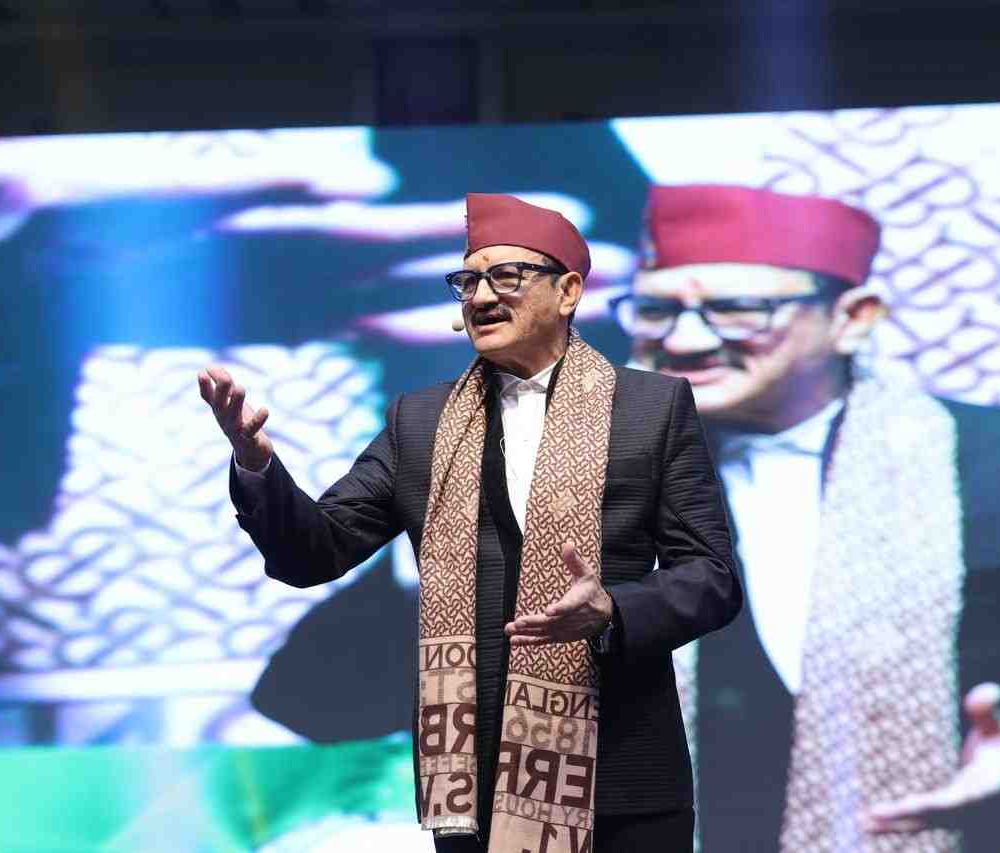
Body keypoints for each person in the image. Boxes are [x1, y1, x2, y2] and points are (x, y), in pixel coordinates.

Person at [612, 183, 1000, 852]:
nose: (686, 338)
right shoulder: (570, 469)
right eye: (656, 310)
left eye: (738, 309)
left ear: (854, 317)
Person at [198, 192, 742, 853]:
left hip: (623, 780)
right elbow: (313, 554)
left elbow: (711, 578)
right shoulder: (420, 423)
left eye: (506, 277)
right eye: (468, 281)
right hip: (472, 790)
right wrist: (257, 467)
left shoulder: (650, 408)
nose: (481, 297)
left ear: (568, 292)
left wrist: (613, 609)